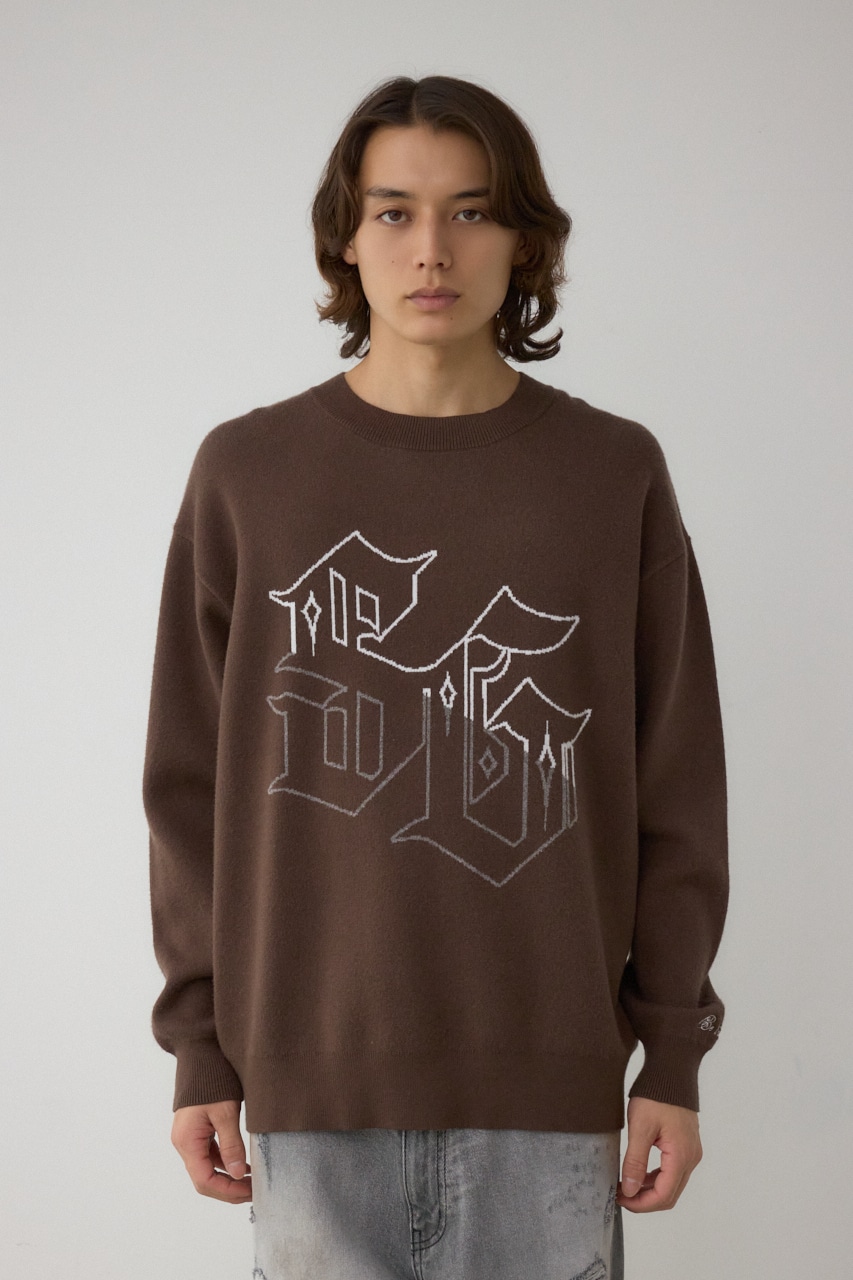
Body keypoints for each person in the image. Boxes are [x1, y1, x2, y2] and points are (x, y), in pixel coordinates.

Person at [143, 74, 729, 1280]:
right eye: (394, 211)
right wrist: (198, 1043)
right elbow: (188, 788)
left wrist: (672, 1050)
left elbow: (676, 784)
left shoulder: (610, 472)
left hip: (551, 1098)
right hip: (308, 1094)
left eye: (470, 211)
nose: (431, 250)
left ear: (523, 239)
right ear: (345, 238)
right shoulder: (248, 474)